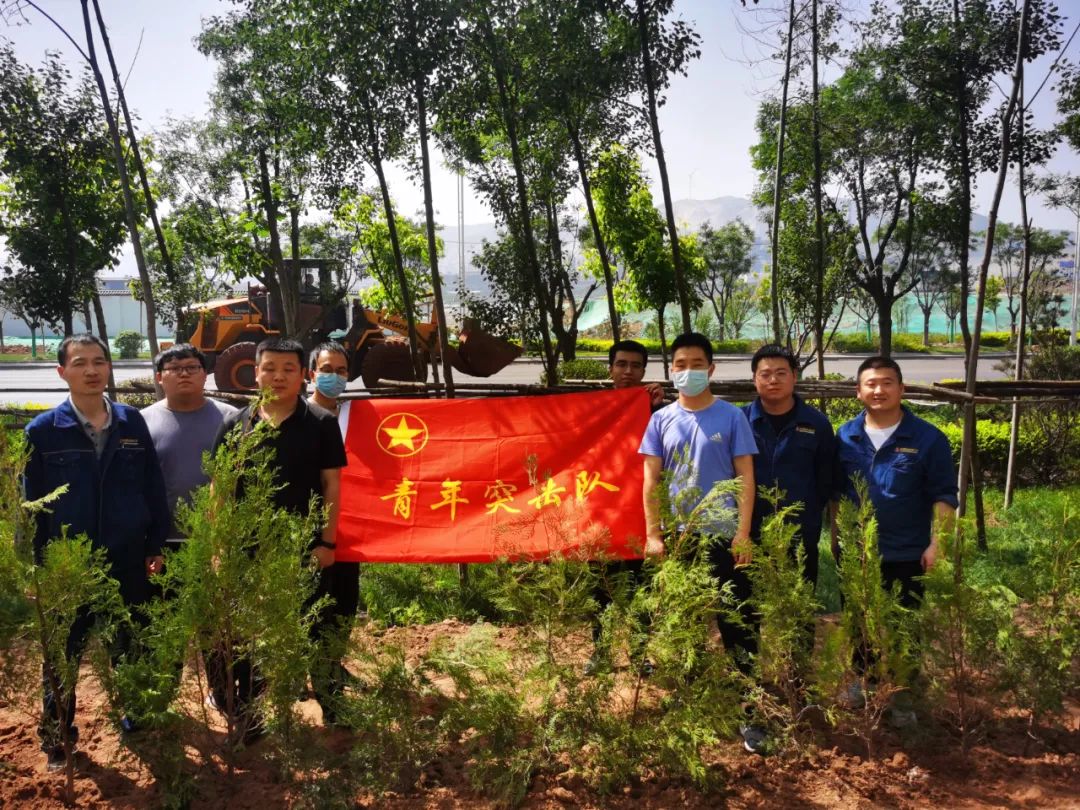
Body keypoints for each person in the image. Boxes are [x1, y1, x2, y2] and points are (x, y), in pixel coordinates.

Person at [23, 334, 169, 771]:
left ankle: (137, 718)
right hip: (68, 563)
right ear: (62, 372)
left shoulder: (131, 423)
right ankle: (57, 739)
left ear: (109, 369)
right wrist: (38, 567)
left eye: (99, 362)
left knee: (131, 642)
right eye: (81, 363)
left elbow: (152, 487)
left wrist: (155, 543)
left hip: (127, 555)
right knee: (63, 654)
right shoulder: (44, 432)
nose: (92, 370)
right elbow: (32, 510)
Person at [210, 337, 347, 735]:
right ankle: (249, 714)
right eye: (270, 368)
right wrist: (219, 548)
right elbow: (219, 488)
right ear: (256, 373)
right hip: (246, 548)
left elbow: (331, 487)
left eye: (289, 369)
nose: (279, 376)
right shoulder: (236, 424)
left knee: (315, 625)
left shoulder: (320, 425)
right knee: (244, 634)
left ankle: (330, 704)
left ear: (303, 375)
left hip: (304, 547)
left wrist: (327, 542)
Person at [638, 332, 763, 752]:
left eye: (696, 363)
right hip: (680, 539)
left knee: (737, 624)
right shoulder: (660, 420)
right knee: (686, 622)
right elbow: (651, 481)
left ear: (711, 369)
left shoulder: (731, 417)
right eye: (679, 364)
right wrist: (654, 534)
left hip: (725, 539)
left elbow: (746, 477)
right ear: (670, 370)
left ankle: (751, 710)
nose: (687, 371)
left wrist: (743, 534)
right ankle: (693, 704)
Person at [832, 356, 958, 723]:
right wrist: (839, 540)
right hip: (858, 552)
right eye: (870, 383)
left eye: (887, 382)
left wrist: (939, 544)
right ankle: (864, 684)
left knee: (905, 626)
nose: (879, 390)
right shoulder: (845, 437)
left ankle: (903, 696)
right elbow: (838, 495)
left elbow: (945, 496)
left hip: (908, 550)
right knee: (859, 621)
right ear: (858, 391)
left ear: (901, 389)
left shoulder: (927, 438)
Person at [586, 340, 664, 675]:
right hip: (600, 514)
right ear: (610, 368)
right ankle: (600, 651)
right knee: (600, 589)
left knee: (639, 590)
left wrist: (652, 408)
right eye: (621, 364)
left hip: (641, 516)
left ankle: (638, 654)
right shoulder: (592, 408)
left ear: (644, 371)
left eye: (635, 366)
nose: (627, 372)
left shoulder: (659, 411)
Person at [741, 345, 834, 588]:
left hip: (800, 531)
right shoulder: (739, 421)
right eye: (765, 374)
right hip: (749, 532)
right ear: (754, 379)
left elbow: (826, 478)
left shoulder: (817, 423)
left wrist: (809, 514)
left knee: (799, 608)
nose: (773, 380)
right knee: (748, 609)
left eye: (781, 373)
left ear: (794, 376)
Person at [307, 340, 363, 689]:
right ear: (311, 373)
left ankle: (331, 669)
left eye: (341, 371)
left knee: (342, 605)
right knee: (305, 607)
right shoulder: (298, 419)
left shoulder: (357, 417)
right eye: (326, 370)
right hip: (304, 532)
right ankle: (297, 674)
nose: (334, 377)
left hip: (349, 530)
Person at [141, 344, 238, 547]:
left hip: (219, 539)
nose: (184, 374)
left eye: (192, 367)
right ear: (159, 377)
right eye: (174, 368)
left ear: (204, 375)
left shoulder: (230, 418)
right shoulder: (142, 421)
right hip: (160, 541)